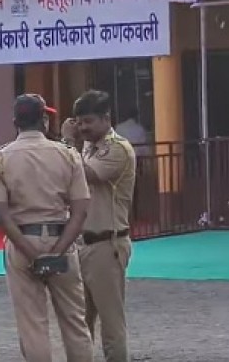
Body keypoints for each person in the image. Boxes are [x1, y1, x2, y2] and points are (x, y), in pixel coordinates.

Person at [0, 94, 93, 362]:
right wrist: (58, 251)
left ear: (15, 122)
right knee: (75, 322)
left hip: (22, 241)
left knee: (32, 325)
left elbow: (1, 215)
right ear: (44, 120)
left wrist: (32, 254)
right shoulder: (68, 155)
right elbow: (80, 211)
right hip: (62, 239)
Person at [67, 90, 137, 362]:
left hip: (107, 244)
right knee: (79, 323)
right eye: (79, 122)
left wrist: (67, 142)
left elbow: (87, 174)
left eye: (88, 121)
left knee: (111, 323)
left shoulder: (117, 148)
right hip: (82, 244)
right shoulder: (87, 146)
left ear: (106, 118)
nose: (83, 128)